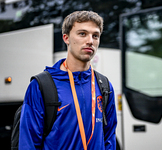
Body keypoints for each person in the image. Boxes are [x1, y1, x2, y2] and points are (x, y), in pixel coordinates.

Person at [19, 11, 117, 150]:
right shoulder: (42, 85)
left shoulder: (104, 86)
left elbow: (109, 138)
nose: (90, 40)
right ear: (66, 38)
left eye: (95, 36)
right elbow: (28, 142)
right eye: (82, 34)